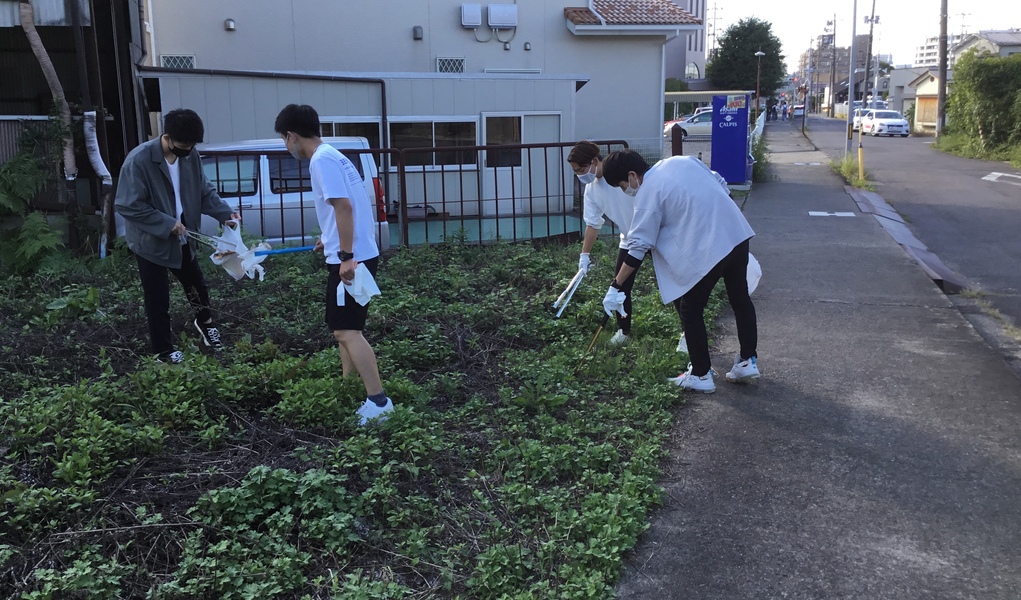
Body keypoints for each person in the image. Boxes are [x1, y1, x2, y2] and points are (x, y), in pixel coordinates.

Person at [600, 150, 760, 394]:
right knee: (740, 298)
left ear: (632, 175)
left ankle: (700, 374)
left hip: (712, 248)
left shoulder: (647, 193)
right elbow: (720, 183)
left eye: (623, 185)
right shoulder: (682, 161)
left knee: (690, 309)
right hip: (736, 233)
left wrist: (616, 285)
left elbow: (638, 247)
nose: (626, 191)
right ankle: (748, 361)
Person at [273, 103, 393, 425]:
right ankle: (347, 385)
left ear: (291, 136)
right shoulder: (335, 155)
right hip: (357, 252)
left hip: (352, 259)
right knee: (344, 330)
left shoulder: (321, 161)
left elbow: (343, 207)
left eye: (285, 141)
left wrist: (345, 256)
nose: (287, 147)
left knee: (346, 330)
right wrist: (330, 238)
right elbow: (353, 206)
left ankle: (379, 403)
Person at [115, 108, 240, 364]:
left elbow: (204, 192)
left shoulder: (190, 156)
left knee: (196, 285)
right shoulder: (139, 160)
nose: (188, 149)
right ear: (168, 137)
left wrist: (225, 213)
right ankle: (163, 351)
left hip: (184, 235)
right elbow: (127, 205)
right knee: (157, 297)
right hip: (151, 241)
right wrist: (165, 223)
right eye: (184, 144)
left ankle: (206, 326)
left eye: (192, 145)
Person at [566, 140, 643, 345]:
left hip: (652, 233)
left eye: (582, 169)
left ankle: (685, 334)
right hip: (629, 239)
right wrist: (584, 255)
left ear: (594, 161)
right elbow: (592, 224)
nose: (580, 175)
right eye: (576, 172)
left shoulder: (617, 174)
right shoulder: (591, 190)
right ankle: (624, 332)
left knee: (671, 282)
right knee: (620, 287)